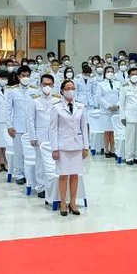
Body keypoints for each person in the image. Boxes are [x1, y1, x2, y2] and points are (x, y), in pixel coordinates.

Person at [50, 79, 89, 216]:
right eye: (67, 88)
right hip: (63, 145)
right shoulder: (56, 107)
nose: (70, 90)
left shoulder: (80, 106)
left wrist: (86, 146)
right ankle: (63, 202)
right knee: (63, 175)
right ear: (62, 90)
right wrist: (54, 148)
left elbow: (84, 127)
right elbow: (53, 129)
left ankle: (73, 201)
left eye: (72, 88)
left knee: (75, 175)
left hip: (77, 145)